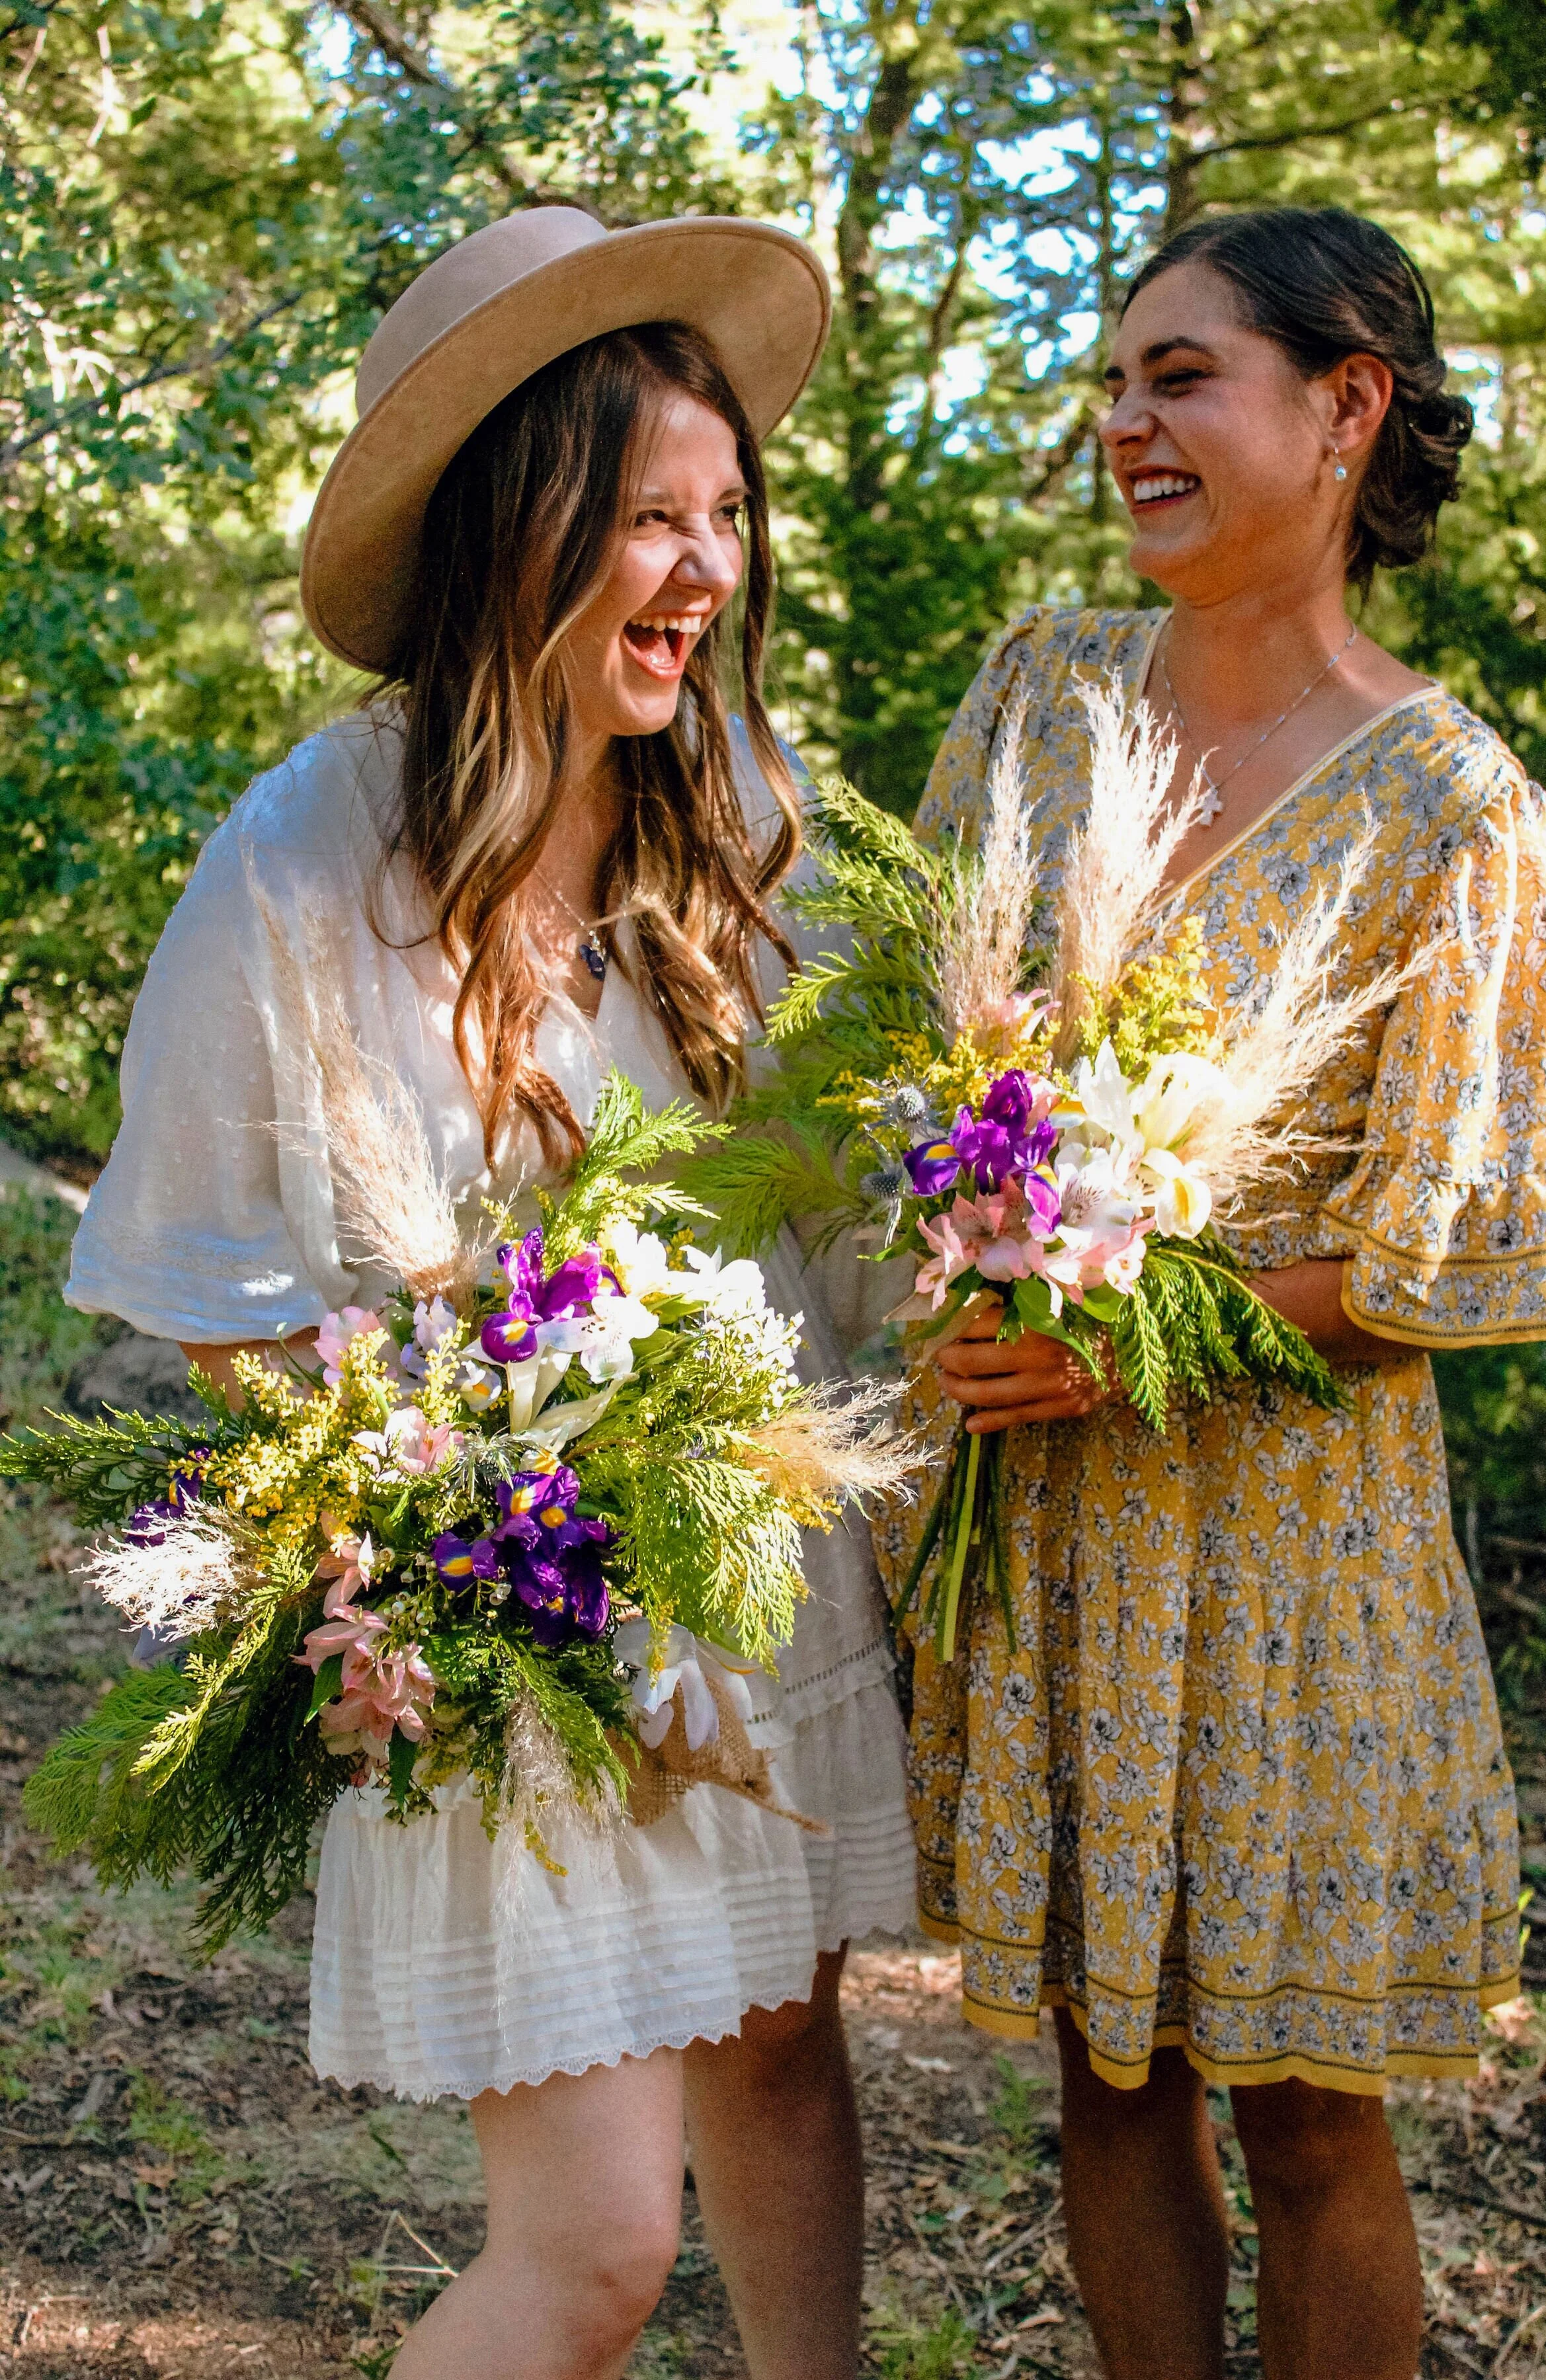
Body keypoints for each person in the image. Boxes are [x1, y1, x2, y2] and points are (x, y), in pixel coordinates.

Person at [65, 206, 917, 2380]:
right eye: (649, 517)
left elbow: (841, 1200)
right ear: (517, 524)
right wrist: (421, 1519)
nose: (706, 568)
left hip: (760, 1577)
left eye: (726, 515)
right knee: (597, 2248)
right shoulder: (303, 858)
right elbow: (203, 1281)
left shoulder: (737, 812)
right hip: (509, 1625)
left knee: (781, 2049)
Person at [874, 205, 1546, 2380]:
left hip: (1295, 1548)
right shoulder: (1042, 696)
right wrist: (971, 1249)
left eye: (1181, 377)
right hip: (1053, 1520)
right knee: (1110, 2072)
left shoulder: (1459, 814)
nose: (1126, 423)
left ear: (1347, 407)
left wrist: (1133, 1340)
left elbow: (1444, 1258)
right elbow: (908, 1049)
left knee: (1308, 2117)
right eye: (1115, 383)